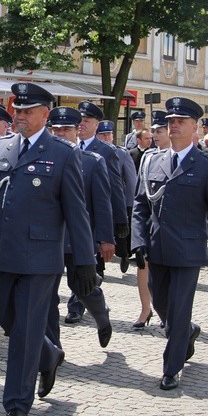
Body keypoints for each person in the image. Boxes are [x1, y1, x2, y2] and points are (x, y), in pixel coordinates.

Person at [0, 83, 97, 416]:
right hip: (1, 255)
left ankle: (17, 405)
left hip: (40, 259)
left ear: (45, 114)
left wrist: (85, 261)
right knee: (9, 322)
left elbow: (77, 213)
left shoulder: (64, 153)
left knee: (23, 333)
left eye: (28, 111)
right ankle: (48, 354)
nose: (20, 116)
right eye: (17, 110)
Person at [132, 97, 208, 391]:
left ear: (195, 127)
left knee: (179, 309)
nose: (174, 126)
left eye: (181, 122)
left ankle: (171, 368)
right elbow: (140, 205)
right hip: (158, 249)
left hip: (189, 251)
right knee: (162, 304)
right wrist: (138, 240)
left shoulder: (206, 166)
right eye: (170, 122)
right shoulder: (153, 161)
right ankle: (187, 332)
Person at [47, 106, 114, 348]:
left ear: (77, 131)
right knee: (46, 297)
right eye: (55, 129)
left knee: (83, 286)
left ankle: (101, 315)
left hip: (78, 238)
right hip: (48, 239)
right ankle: (52, 349)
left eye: (66, 129)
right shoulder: (41, 159)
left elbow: (103, 203)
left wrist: (106, 238)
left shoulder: (92, 162)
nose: (60, 134)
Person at [77, 101, 129, 276]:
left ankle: (91, 302)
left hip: (94, 220)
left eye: (87, 120)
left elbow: (115, 188)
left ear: (96, 125)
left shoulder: (106, 152)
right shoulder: (68, 147)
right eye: (80, 119)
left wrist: (120, 220)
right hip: (70, 221)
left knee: (91, 274)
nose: (82, 124)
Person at [131, 110, 170, 329]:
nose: (155, 135)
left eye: (160, 130)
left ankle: (168, 313)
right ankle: (146, 309)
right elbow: (140, 195)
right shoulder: (148, 157)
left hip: (170, 225)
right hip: (149, 223)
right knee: (144, 266)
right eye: (153, 130)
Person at [97, 120, 137, 273]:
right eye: (103, 134)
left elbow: (130, 179)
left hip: (116, 201)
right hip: (100, 201)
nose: (106, 137)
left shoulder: (121, 152)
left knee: (119, 233)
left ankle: (124, 254)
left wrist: (129, 204)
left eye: (109, 134)